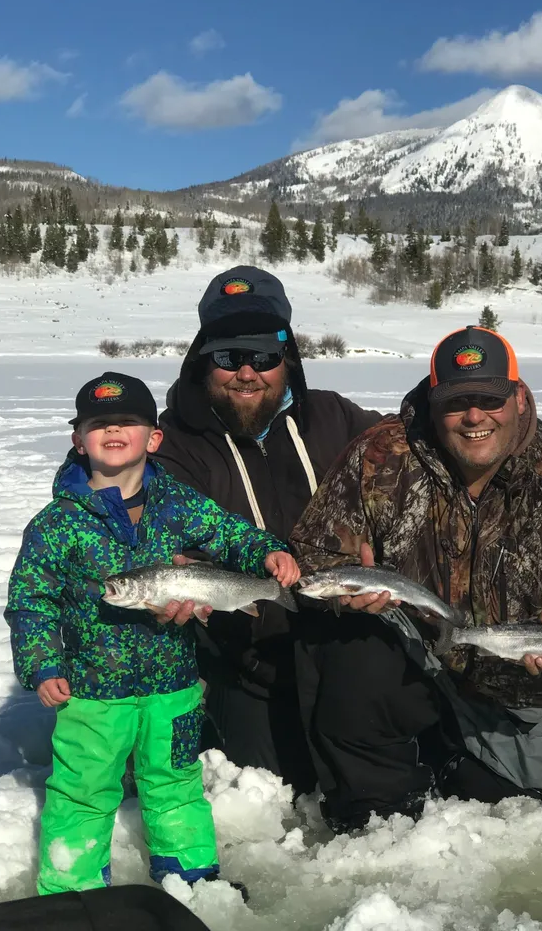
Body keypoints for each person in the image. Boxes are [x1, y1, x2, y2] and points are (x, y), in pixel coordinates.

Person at [288, 325, 542, 833]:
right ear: (432, 403)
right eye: (455, 402)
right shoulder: (381, 456)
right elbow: (311, 558)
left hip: (512, 683)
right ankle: (377, 819)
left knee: (531, 815)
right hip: (405, 664)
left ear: (516, 398)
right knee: (352, 657)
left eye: (488, 399)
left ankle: (449, 757)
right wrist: (345, 591)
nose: (474, 417)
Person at [4, 371, 300, 897]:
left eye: (128, 421)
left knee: (176, 787)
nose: (113, 430)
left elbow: (230, 532)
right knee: (82, 792)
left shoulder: (177, 503)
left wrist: (265, 552)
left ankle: (191, 884)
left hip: (175, 688)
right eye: (99, 424)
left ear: (154, 437)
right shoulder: (56, 524)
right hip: (91, 697)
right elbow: (32, 602)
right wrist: (43, 665)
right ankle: (73, 896)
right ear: (78, 439)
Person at [152, 265, 383, 795]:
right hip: (246, 658)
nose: (247, 372)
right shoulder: (174, 445)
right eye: (229, 357)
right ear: (203, 359)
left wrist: (466, 402)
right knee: (271, 798)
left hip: (347, 643)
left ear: (288, 358)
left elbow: (421, 443)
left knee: (374, 791)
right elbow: (101, 484)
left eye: (263, 356)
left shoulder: (332, 418)